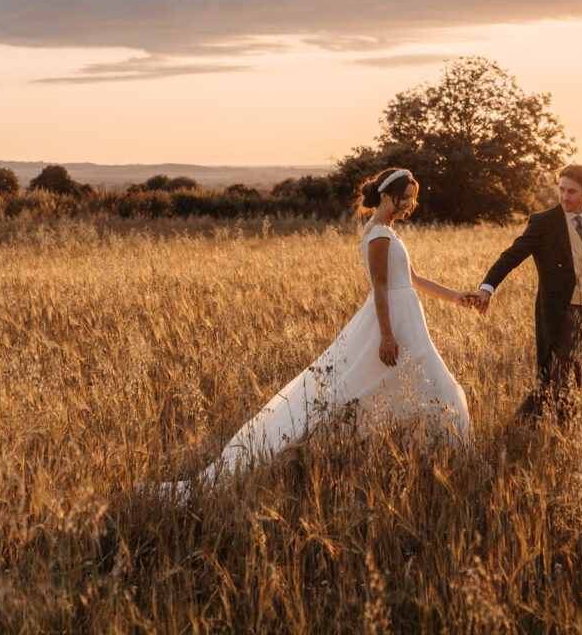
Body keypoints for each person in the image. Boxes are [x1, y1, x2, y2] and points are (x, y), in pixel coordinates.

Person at [164, 168, 475, 497]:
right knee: (424, 386)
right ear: (386, 196)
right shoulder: (379, 235)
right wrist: (386, 335)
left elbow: (413, 279)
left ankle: (436, 458)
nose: (410, 205)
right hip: (393, 321)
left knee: (420, 383)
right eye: (406, 197)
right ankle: (446, 459)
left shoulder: (390, 231)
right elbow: (380, 290)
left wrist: (455, 296)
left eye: (413, 198)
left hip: (408, 319)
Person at [469, 164, 582, 421]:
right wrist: (487, 288)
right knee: (563, 375)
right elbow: (512, 255)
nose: (564, 197)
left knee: (561, 375)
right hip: (558, 311)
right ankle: (566, 430)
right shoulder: (544, 222)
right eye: (561, 190)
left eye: (571, 191)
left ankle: (521, 427)